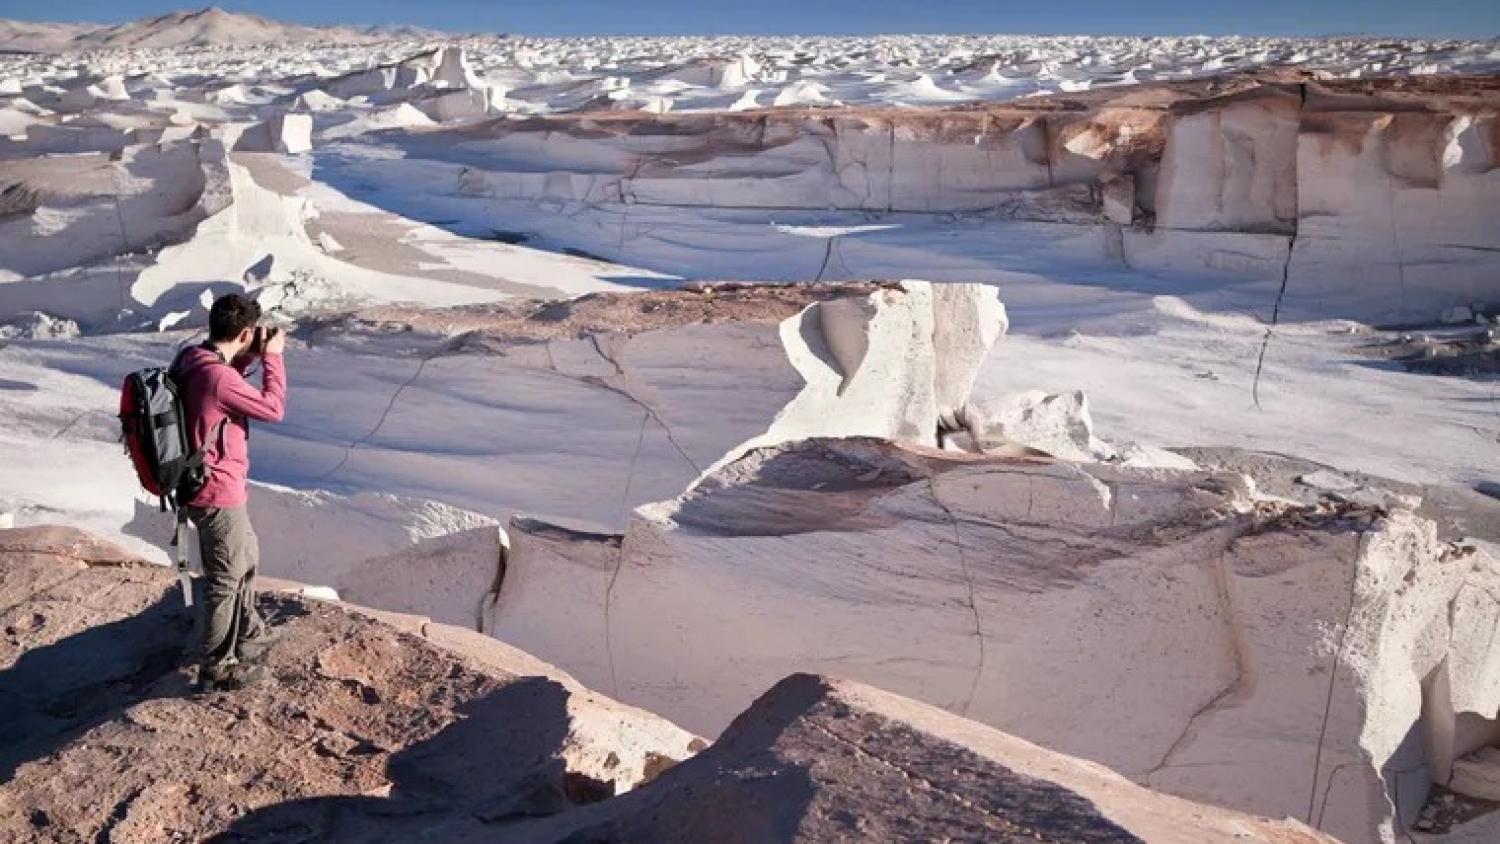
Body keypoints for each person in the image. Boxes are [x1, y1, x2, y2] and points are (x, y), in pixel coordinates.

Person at [170, 294, 288, 691]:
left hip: (204, 484)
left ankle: (249, 633)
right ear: (245, 332)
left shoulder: (194, 358)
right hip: (216, 490)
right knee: (225, 578)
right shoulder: (219, 378)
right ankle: (217, 668)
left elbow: (220, 384)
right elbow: (273, 409)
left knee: (246, 555)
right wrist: (272, 357)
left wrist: (245, 353)